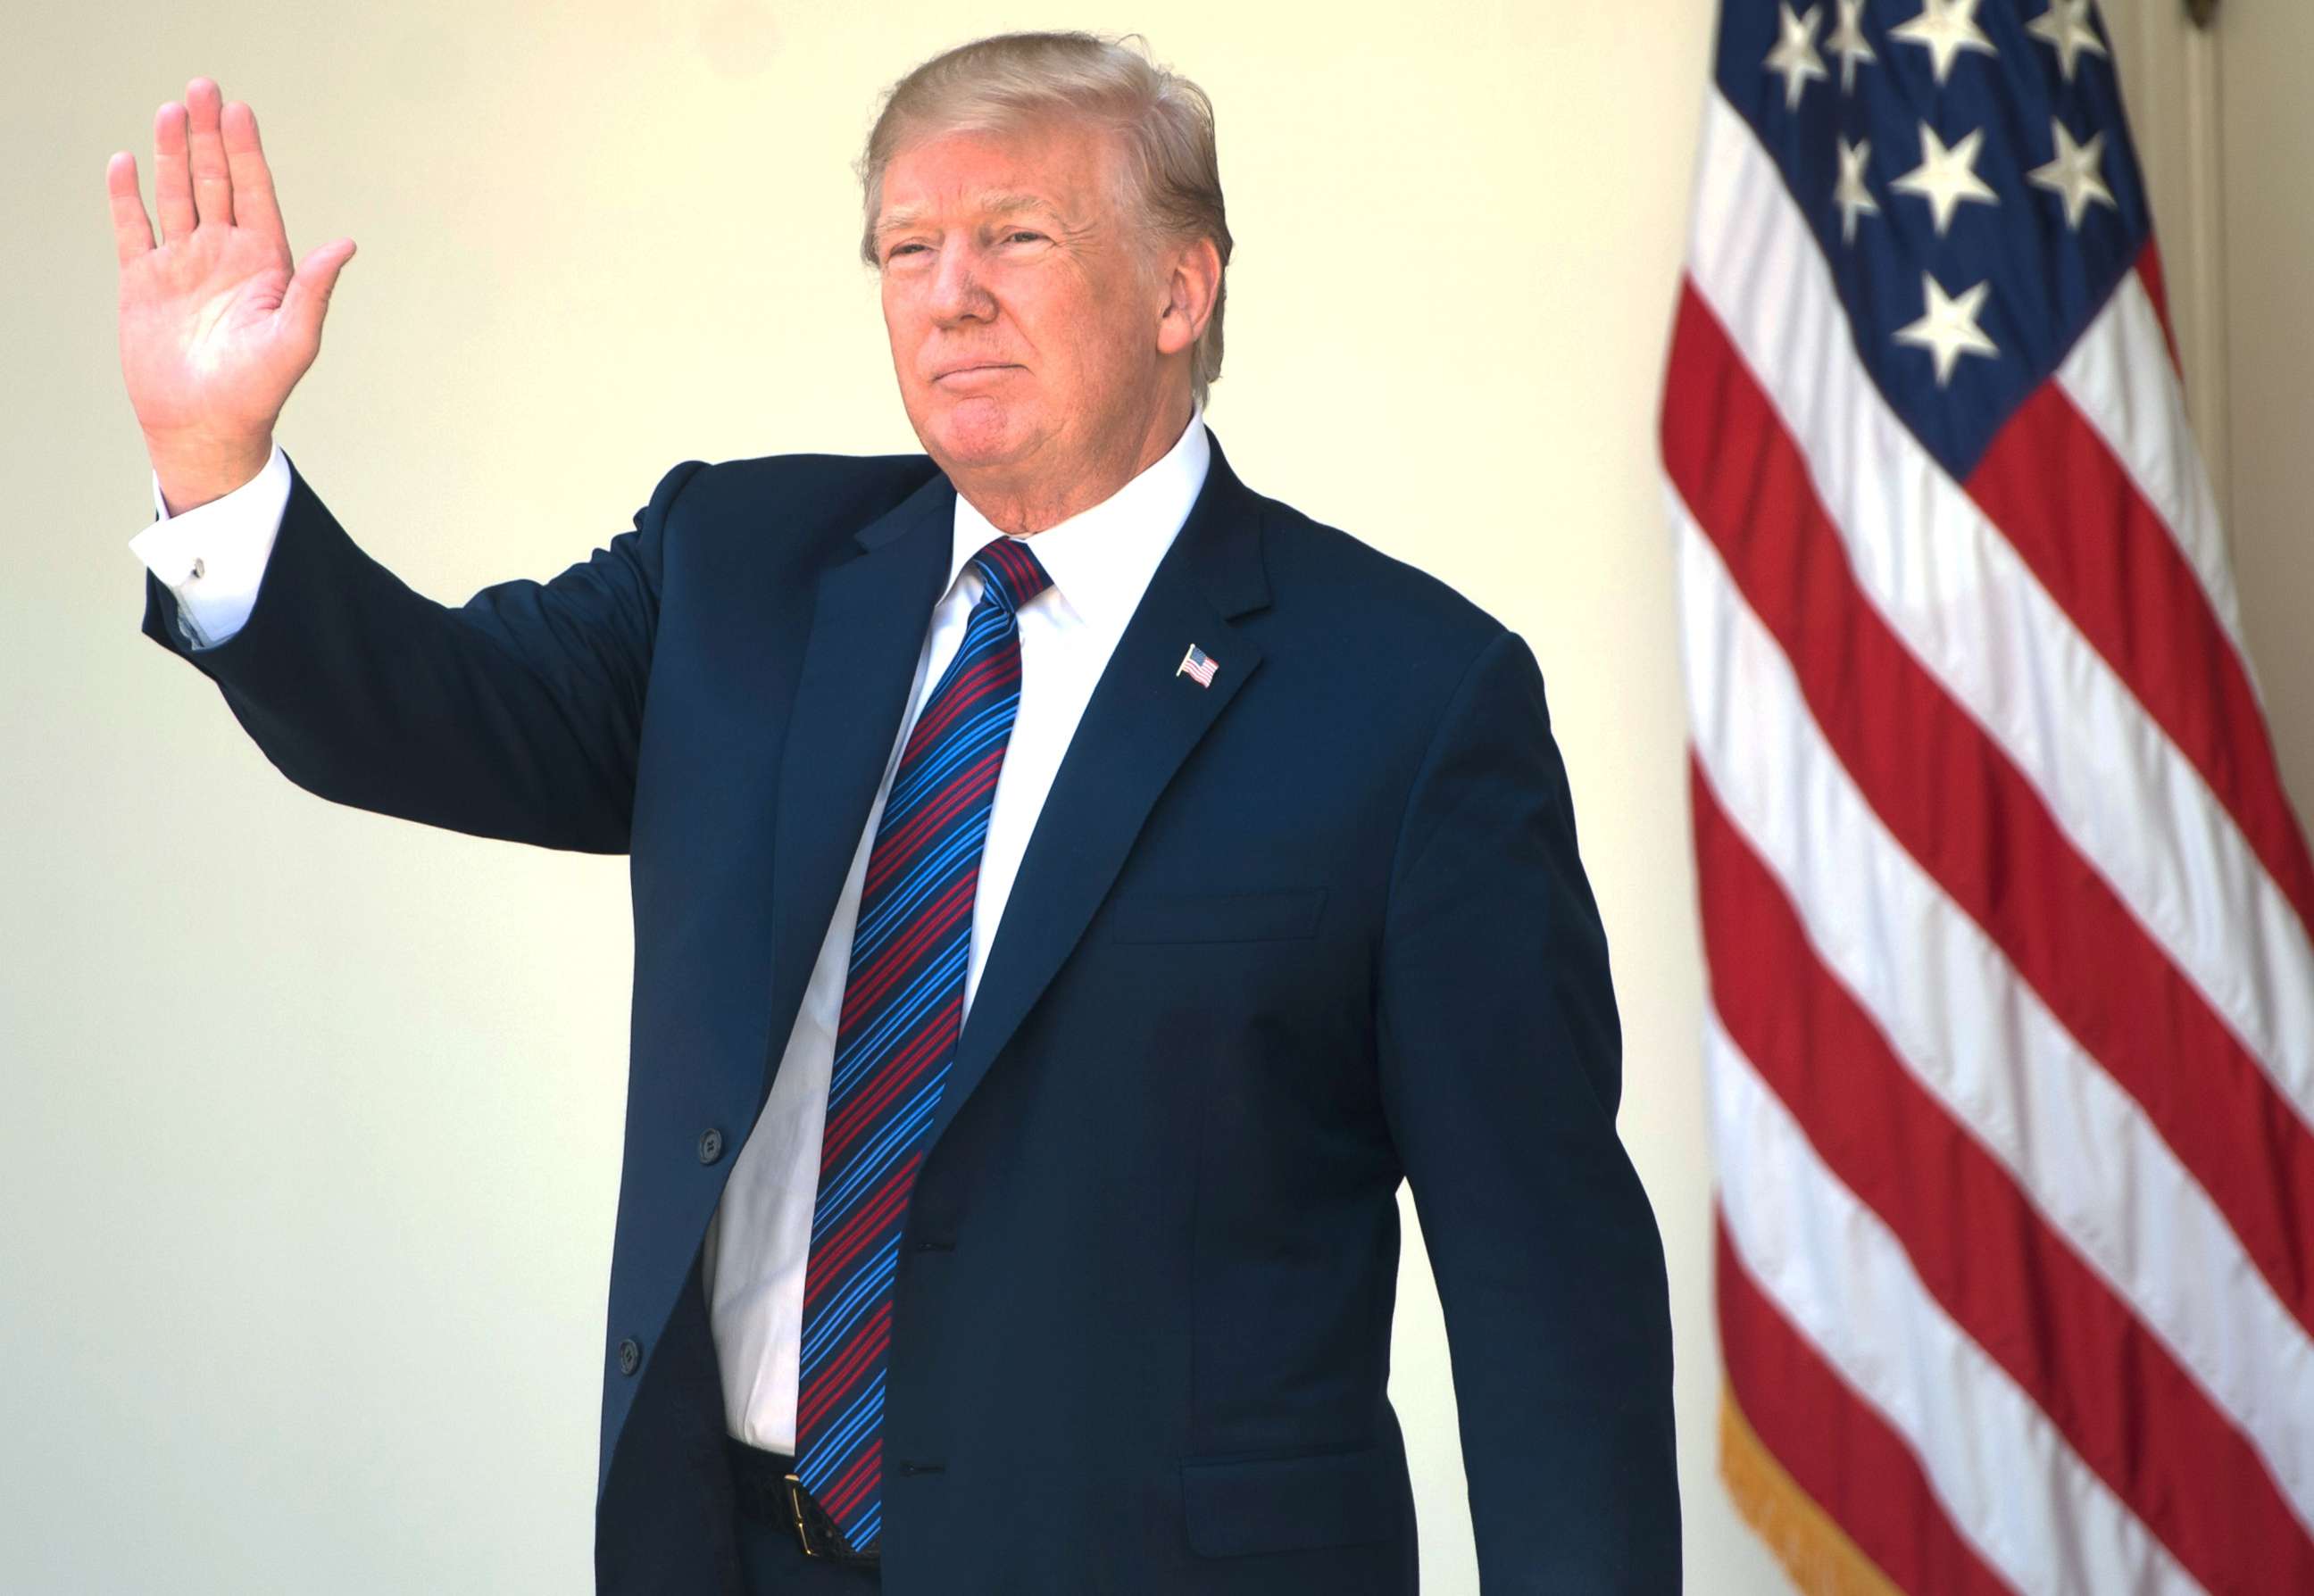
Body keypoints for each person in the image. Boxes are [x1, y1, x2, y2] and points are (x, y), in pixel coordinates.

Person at [107, 29, 1678, 1595]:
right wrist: (215, 462)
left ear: (1179, 290)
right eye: (907, 248)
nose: (950, 293)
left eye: (1017, 238)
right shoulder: (740, 563)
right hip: (730, 1556)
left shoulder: (1410, 697)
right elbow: (434, 715)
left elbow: (1548, 1291)